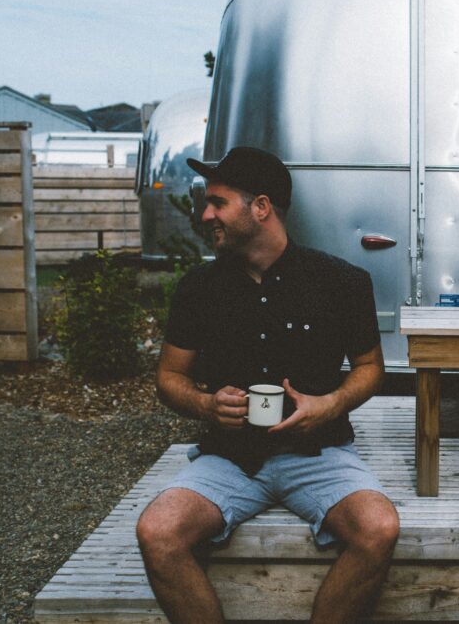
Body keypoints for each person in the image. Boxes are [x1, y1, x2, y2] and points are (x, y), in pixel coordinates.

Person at [136, 147, 399, 624]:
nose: (205, 213)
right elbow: (168, 378)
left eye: (218, 202)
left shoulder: (342, 282)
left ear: (261, 207)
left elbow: (370, 368)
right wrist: (205, 404)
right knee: (157, 531)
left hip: (320, 454)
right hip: (228, 458)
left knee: (379, 527)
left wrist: (331, 404)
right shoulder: (199, 287)